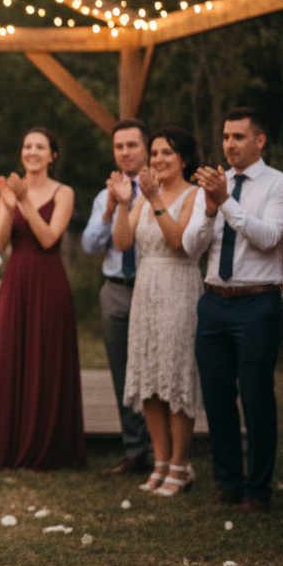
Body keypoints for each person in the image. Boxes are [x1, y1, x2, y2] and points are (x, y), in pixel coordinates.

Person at [182, 107, 283, 514]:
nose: (229, 144)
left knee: (255, 396)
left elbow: (268, 238)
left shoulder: (281, 186)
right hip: (214, 301)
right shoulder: (214, 186)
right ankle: (228, 482)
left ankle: (258, 489)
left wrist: (225, 202)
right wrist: (212, 208)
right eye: (226, 136)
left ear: (260, 140)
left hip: (256, 302)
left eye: (238, 137)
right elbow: (192, 248)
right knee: (216, 398)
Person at [0, 127, 87, 471]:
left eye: (41, 147)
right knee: (12, 354)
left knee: (46, 357)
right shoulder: (10, 191)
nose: (33, 152)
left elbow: (49, 239)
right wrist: (9, 207)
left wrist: (25, 201)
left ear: (53, 155)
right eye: (28, 146)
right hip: (17, 279)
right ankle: (8, 445)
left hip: (49, 281)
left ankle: (46, 445)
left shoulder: (64, 193)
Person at [112, 127, 205, 496]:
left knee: (176, 376)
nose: (158, 159)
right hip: (146, 290)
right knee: (149, 377)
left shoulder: (194, 195)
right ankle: (161, 462)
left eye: (167, 153)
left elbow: (179, 242)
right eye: (154, 153)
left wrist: (155, 200)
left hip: (179, 287)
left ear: (183, 159)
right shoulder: (141, 197)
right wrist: (124, 203)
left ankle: (182, 465)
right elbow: (122, 243)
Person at [81, 119, 154, 477]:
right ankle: (134, 450)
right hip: (115, 290)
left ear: (146, 148)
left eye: (132, 145)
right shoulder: (103, 195)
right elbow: (90, 245)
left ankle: (163, 451)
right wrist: (111, 209)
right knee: (122, 374)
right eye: (119, 147)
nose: (125, 152)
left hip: (151, 288)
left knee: (154, 371)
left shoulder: (160, 190)